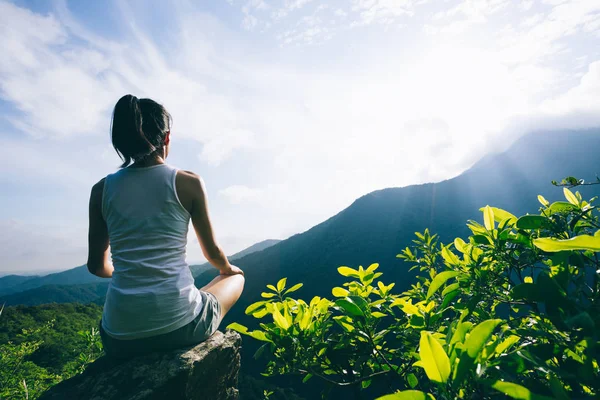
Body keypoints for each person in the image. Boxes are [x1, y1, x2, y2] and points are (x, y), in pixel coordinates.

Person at [86, 94, 245, 360]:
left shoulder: (101, 190)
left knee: (197, 293)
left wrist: (132, 271)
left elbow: (96, 266)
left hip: (118, 336)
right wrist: (228, 269)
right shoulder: (187, 182)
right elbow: (213, 254)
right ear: (167, 138)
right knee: (235, 278)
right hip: (181, 327)